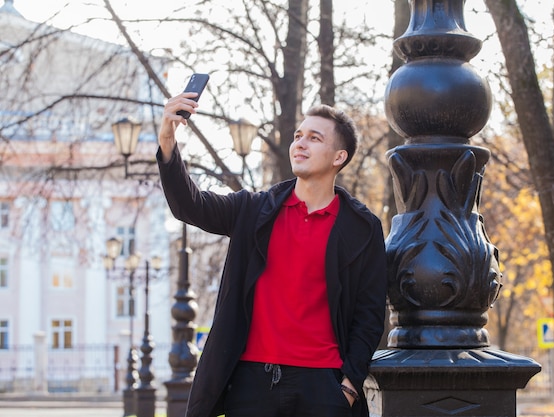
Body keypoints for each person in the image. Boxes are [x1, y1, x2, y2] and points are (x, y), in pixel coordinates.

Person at [157, 91, 387, 417]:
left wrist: (348, 387)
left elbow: (370, 314)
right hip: (252, 386)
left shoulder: (362, 228)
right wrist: (168, 140)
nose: (300, 144)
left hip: (324, 387)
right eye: (298, 136)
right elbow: (190, 205)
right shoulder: (253, 210)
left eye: (314, 138)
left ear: (339, 156)